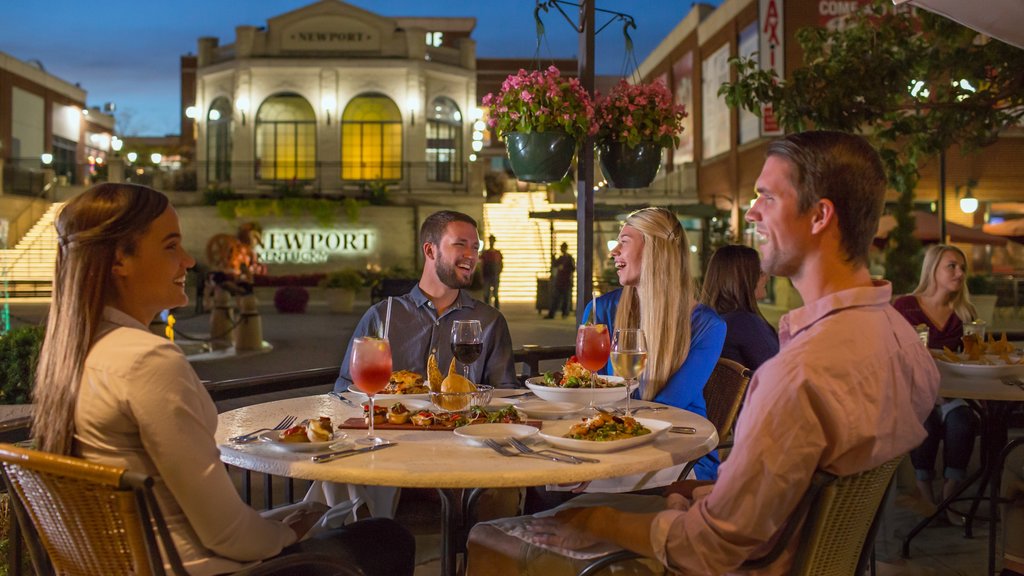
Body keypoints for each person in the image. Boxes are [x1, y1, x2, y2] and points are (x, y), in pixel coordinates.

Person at [466, 131, 940, 575]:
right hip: (789, 550)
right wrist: (687, 494)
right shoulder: (904, 344)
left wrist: (599, 523)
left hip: (738, 565)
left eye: (767, 197)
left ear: (820, 217)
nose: (751, 213)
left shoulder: (798, 375)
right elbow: (782, 497)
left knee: (489, 535)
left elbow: (710, 546)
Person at [31, 183, 415, 576]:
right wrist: (287, 534)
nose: (189, 260)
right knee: (385, 538)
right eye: (170, 246)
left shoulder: (74, 353)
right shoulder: (145, 361)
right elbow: (227, 535)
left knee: (320, 515)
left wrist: (286, 521)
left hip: (130, 561)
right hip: (200, 567)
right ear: (119, 260)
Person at [335, 211, 516, 391]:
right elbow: (346, 390)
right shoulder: (382, 315)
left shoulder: (490, 321)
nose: (471, 255)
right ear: (430, 250)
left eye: (476, 247)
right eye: (460, 244)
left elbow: (506, 396)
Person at [893, 244, 979, 516]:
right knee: (923, 422)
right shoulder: (905, 306)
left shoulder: (966, 314)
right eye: (951, 266)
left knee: (963, 422)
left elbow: (973, 359)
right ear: (933, 270)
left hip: (953, 392)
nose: (959, 273)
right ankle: (925, 495)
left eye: (962, 267)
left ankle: (950, 494)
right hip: (915, 392)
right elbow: (892, 350)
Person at [700, 244, 779, 372]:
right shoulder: (744, 322)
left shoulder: (709, 319)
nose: (767, 278)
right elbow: (778, 370)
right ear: (743, 280)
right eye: (760, 273)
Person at [546, 242, 575, 319]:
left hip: (566, 281)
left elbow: (572, 268)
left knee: (566, 299)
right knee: (556, 298)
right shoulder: (561, 258)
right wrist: (553, 258)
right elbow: (555, 264)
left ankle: (564, 313)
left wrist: (565, 269)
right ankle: (552, 313)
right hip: (560, 281)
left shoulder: (569, 258)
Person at [481, 234, 503, 309]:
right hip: (487, 275)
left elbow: (500, 264)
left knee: (495, 294)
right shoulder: (486, 253)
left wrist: (498, 272)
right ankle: (487, 309)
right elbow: (482, 265)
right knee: (486, 293)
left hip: (494, 275)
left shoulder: (497, 253)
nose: (491, 242)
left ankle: (496, 309)